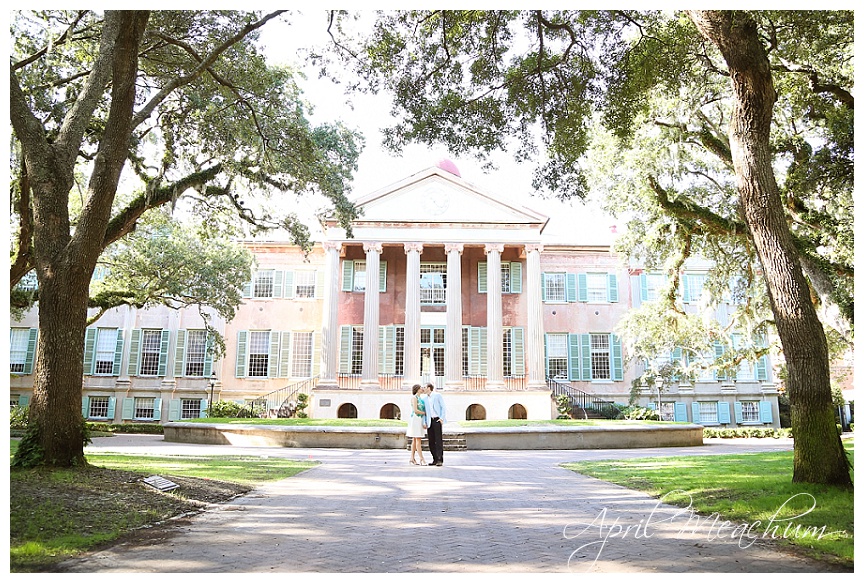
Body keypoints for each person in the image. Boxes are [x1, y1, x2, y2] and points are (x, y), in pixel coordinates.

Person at [424, 383, 447, 466]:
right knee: (431, 441)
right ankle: (435, 459)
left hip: (437, 419)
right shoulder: (425, 399)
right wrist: (425, 422)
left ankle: (440, 459)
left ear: (429, 388)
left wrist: (442, 418)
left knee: (438, 440)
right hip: (429, 421)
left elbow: (443, 407)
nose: (424, 389)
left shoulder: (437, 395)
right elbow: (425, 412)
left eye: (425, 387)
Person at [406, 384, 428, 465]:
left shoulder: (421, 399)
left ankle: (412, 458)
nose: (422, 389)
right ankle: (422, 459)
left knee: (415, 440)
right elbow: (415, 410)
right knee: (418, 439)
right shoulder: (414, 398)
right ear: (418, 389)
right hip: (415, 419)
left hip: (420, 419)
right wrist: (425, 413)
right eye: (421, 388)